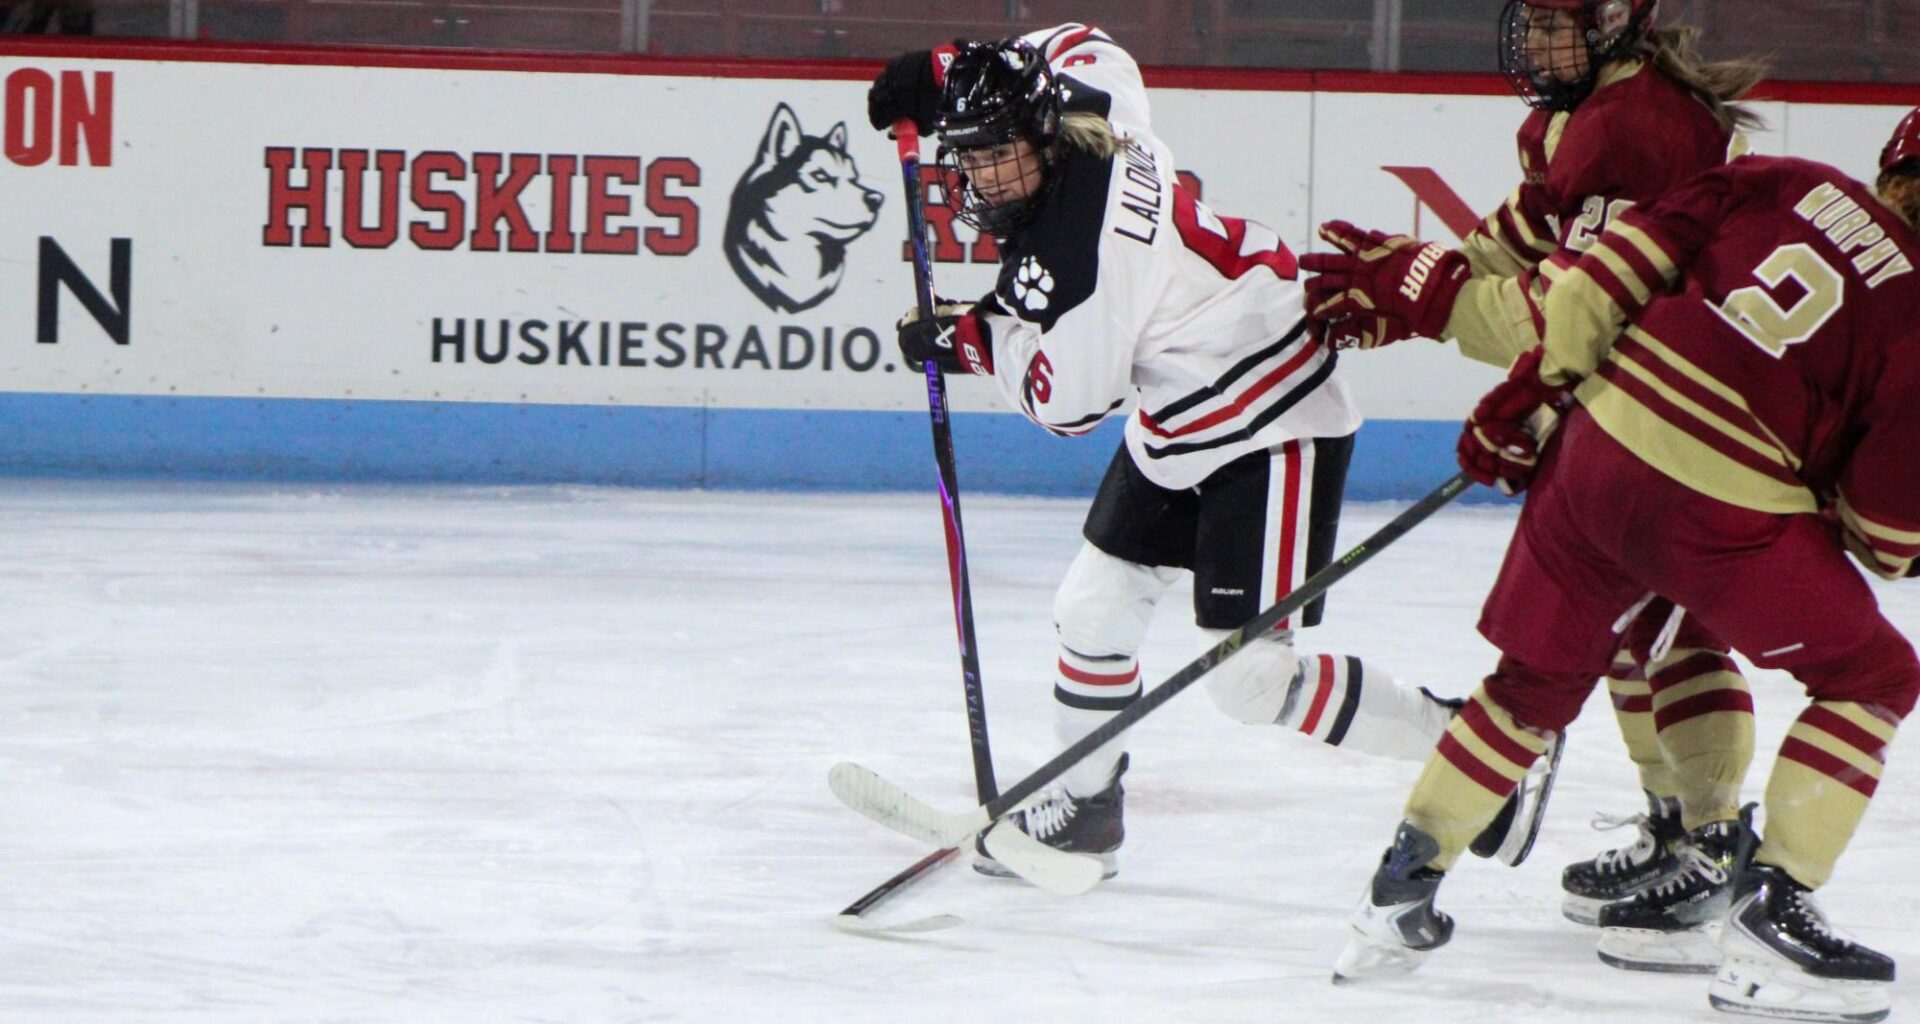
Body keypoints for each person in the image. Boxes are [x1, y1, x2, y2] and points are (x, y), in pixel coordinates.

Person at [863, 24, 1546, 881]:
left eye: (1001, 154)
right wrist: (949, 69)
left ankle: (1478, 753)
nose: (984, 177)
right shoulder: (1095, 113)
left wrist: (969, 340)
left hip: (1273, 420)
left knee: (1250, 681)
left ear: (1038, 138)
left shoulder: (1086, 266)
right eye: (970, 156)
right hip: (1181, 414)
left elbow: (1068, 404)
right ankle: (1083, 812)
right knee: (1092, 612)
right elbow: (1085, 41)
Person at [1330, 109, 1920, 1024]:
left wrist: (1535, 393)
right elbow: (1888, 537)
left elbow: (1587, 289)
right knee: (1874, 673)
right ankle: (1768, 906)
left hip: (1594, 456)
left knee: (1531, 686)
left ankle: (1396, 897)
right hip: (1724, 510)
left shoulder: (1781, 176)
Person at [1299, 0, 1775, 967]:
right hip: (1637, 408)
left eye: (1559, 21)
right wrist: (1413, 284)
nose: (1535, 41)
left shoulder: (1636, 124)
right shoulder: (1581, 112)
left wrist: (1426, 301)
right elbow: (1510, 250)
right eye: (1533, 19)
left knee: (1672, 636)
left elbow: (1564, 307)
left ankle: (1716, 841)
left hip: (1696, 417)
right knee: (1640, 634)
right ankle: (1680, 830)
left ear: (1616, 23)